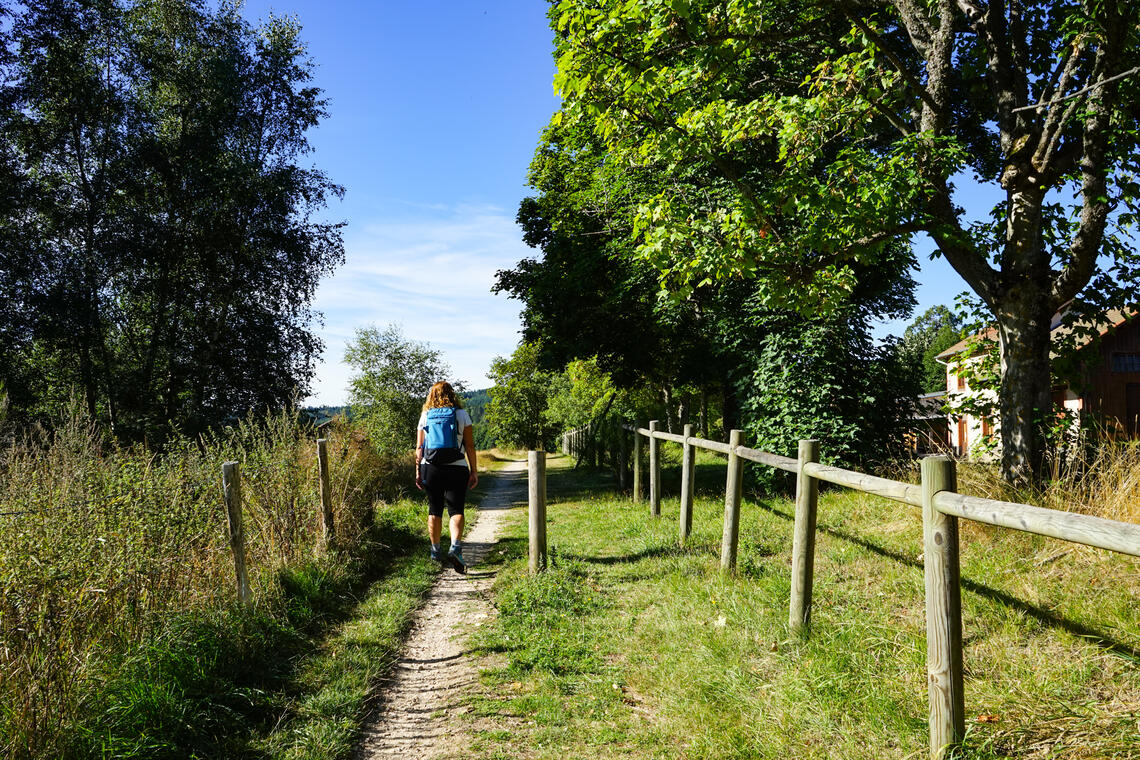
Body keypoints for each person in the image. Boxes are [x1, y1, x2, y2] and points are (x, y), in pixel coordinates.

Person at [414, 381, 478, 573]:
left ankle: (435, 552)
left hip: (431, 467)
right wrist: (474, 470)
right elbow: (470, 446)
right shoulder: (462, 415)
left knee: (434, 509)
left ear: (431, 396)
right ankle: (455, 547)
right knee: (456, 509)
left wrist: (418, 470)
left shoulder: (425, 416)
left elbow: (419, 448)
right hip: (457, 467)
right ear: (452, 395)